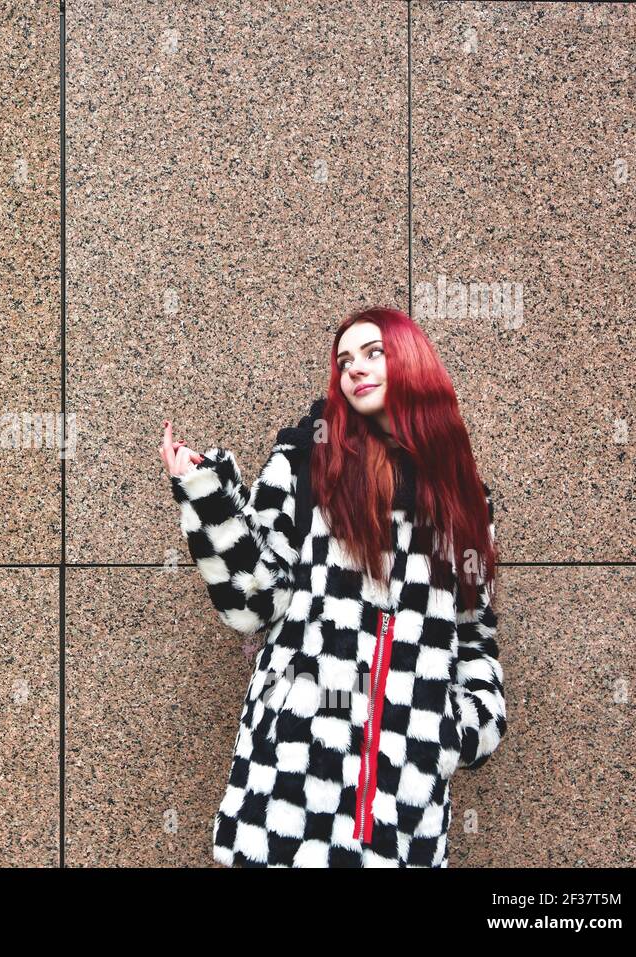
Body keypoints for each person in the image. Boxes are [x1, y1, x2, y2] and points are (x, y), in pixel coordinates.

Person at [159, 306, 507, 867]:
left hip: (401, 800)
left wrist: (459, 730)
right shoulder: (305, 461)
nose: (356, 369)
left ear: (413, 364)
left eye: (374, 353)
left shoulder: (464, 498)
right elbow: (255, 602)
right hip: (294, 782)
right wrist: (203, 495)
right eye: (345, 360)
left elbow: (474, 634)